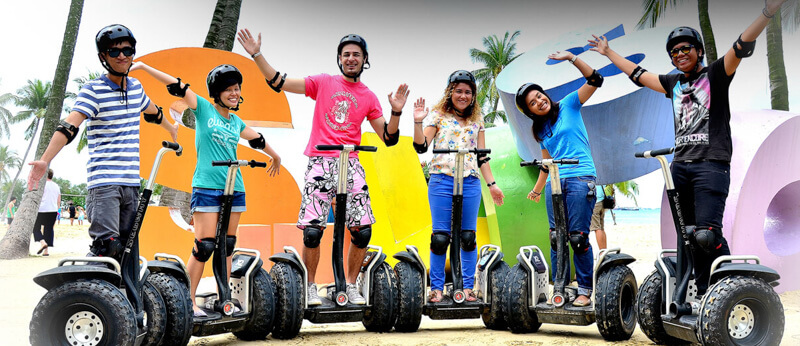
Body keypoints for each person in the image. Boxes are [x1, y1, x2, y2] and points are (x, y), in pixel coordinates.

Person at [588, 0, 786, 295]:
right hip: (680, 167)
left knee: (707, 234)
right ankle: (701, 289)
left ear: (698, 51)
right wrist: (608, 52)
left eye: (685, 49)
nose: (679, 54)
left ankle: (727, 286)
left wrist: (767, 12)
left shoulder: (716, 75)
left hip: (711, 165)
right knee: (687, 236)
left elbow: (741, 44)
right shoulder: (672, 83)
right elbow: (639, 75)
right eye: (674, 52)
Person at [237, 28, 409, 305]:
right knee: (313, 231)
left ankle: (351, 284)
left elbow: (388, 138)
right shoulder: (323, 82)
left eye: (356, 54)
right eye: (346, 54)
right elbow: (278, 81)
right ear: (339, 59)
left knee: (362, 230)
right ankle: (310, 285)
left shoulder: (368, 96)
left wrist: (396, 111)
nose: (351, 58)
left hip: (351, 163)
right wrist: (256, 54)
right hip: (322, 161)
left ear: (365, 59)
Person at [131, 61, 281, 316]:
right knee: (204, 246)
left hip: (235, 188)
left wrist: (275, 157)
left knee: (227, 245)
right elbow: (176, 86)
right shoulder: (203, 109)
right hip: (207, 186)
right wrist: (145, 67)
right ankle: (188, 301)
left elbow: (258, 139)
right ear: (217, 93)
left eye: (237, 89)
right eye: (229, 89)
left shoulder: (236, 122)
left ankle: (227, 298)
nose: (235, 93)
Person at [27, 24, 178, 262]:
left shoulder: (137, 88)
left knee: (128, 251)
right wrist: (45, 161)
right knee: (107, 248)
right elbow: (69, 127)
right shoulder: (93, 90)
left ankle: (120, 296)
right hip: (105, 184)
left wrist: (172, 129)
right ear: (103, 56)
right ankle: (82, 292)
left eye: (127, 51)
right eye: (114, 51)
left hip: (131, 184)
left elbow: (153, 113)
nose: (122, 56)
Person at [516, 50, 605, 307]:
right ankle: (561, 287)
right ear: (530, 111)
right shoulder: (541, 129)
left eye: (539, 96)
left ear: (545, 95)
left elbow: (596, 80)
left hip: (580, 178)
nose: (539, 101)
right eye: (532, 102)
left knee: (577, 237)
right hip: (555, 182)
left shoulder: (569, 104)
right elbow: (546, 164)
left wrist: (572, 59)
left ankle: (585, 289)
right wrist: (536, 189)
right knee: (557, 237)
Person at [412, 70, 505, 302]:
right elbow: (421, 146)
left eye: (468, 92)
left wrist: (492, 185)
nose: (463, 96)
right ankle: (436, 288)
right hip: (442, 179)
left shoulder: (477, 119)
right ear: (450, 92)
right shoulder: (438, 115)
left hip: (470, 181)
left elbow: (482, 156)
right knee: (440, 238)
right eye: (459, 91)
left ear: (473, 96)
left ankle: (466, 286)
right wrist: (417, 121)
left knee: (467, 237)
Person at [32, 169, 60, 256]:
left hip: (41, 209)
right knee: (48, 229)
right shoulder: (56, 186)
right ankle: (46, 251)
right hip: (53, 210)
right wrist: (57, 211)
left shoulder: (41, 185)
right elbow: (58, 200)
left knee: (35, 227)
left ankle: (42, 242)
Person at [590, 185, 608, 250]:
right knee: (601, 228)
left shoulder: (594, 176)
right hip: (602, 202)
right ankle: (604, 249)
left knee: (597, 228)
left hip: (596, 201)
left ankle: (602, 251)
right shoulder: (602, 176)